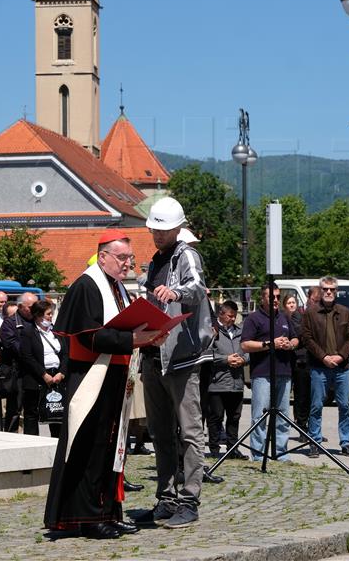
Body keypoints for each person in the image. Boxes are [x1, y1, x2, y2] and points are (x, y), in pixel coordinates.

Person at [44, 229, 163, 540]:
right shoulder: (87, 285)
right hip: (91, 376)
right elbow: (88, 335)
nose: (127, 264)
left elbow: (121, 327)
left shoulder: (117, 288)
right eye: (122, 258)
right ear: (104, 256)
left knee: (112, 449)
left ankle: (109, 512)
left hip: (114, 376)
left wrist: (149, 334)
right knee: (91, 447)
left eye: (130, 258)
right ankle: (88, 517)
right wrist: (131, 339)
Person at [138, 197, 214, 529]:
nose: (157, 235)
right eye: (154, 229)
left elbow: (197, 287)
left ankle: (190, 498)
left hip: (182, 357)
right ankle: (166, 497)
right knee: (160, 431)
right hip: (154, 355)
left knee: (190, 432)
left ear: (177, 228)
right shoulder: (155, 260)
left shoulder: (188, 255)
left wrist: (177, 293)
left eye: (163, 230)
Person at [241, 283, 298, 462]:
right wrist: (269, 344)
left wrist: (291, 344)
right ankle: (258, 454)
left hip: (284, 371)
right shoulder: (254, 319)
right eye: (271, 297)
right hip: (263, 373)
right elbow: (245, 345)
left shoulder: (284, 317)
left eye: (277, 297)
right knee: (260, 415)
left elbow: (296, 338)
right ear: (262, 298)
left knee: (283, 414)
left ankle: (281, 451)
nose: (275, 300)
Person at [300, 276, 349, 458]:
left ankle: (346, 442)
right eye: (325, 289)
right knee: (316, 405)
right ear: (320, 290)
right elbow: (307, 338)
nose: (329, 292)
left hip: (341, 367)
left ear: (336, 291)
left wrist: (340, 356)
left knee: (344, 406)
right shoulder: (311, 312)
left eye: (332, 289)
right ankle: (314, 442)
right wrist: (323, 357)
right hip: (319, 366)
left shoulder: (345, 312)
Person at [19, 300, 67, 438]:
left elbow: (65, 354)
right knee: (32, 413)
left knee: (57, 412)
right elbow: (27, 356)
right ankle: (32, 443)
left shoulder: (55, 332)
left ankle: (57, 442)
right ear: (38, 315)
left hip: (56, 377)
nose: (51, 316)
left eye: (51, 313)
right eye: (48, 314)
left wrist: (62, 372)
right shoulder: (28, 332)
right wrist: (43, 374)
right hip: (36, 378)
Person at [207, 301, 248, 458]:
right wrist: (225, 359)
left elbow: (247, 349)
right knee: (216, 417)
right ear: (221, 314)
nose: (233, 319)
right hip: (217, 383)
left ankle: (232, 449)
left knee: (234, 417)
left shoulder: (240, 331)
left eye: (235, 316)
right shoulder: (213, 331)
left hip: (236, 382)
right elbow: (206, 354)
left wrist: (243, 360)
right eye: (230, 316)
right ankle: (214, 449)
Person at [0, 292, 39, 432]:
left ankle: (33, 440)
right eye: (31, 307)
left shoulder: (37, 321)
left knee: (32, 410)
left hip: (34, 372)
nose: (35, 310)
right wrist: (33, 351)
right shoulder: (9, 324)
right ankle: (11, 437)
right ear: (21, 306)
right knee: (14, 410)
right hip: (17, 372)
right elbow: (14, 346)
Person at [282, 293, 310, 436]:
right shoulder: (282, 318)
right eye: (289, 303)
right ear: (284, 305)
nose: (292, 305)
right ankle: (296, 425)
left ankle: (303, 426)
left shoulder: (300, 317)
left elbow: (303, 333)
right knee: (287, 395)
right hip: (287, 360)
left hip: (301, 360)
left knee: (303, 394)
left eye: (294, 302)